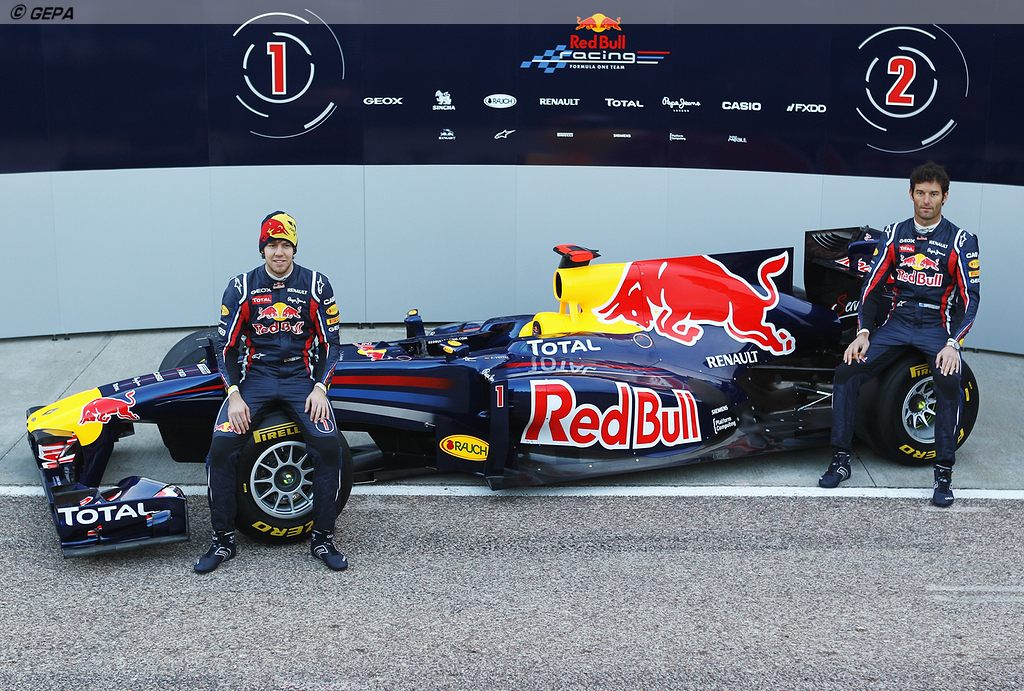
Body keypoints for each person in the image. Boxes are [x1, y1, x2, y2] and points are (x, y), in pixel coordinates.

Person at [819, 162, 980, 506]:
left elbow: (971, 299)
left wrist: (954, 344)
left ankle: (943, 474)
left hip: (937, 327)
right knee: (847, 371)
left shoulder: (961, 241)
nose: (926, 200)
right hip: (897, 323)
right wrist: (864, 332)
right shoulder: (894, 234)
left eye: (933, 194)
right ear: (911, 194)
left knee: (949, 380)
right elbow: (871, 287)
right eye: (920, 193)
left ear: (945, 197)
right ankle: (841, 458)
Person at [195, 211, 348, 573]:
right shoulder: (241, 287)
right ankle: (223, 540)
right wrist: (234, 394)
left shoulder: (317, 285)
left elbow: (332, 345)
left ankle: (323, 538)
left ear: (294, 248)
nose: (279, 252)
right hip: (256, 378)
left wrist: (320, 388)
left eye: (285, 245)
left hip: (300, 378)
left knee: (329, 447)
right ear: (262, 248)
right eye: (272, 245)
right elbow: (226, 348)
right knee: (220, 449)